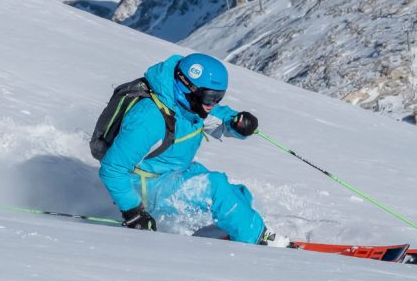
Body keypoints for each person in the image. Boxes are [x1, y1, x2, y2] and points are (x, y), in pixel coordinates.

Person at [97, 53, 288, 246]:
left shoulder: (190, 103)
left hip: (172, 171)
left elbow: (216, 115)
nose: (212, 104)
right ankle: (258, 241)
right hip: (147, 187)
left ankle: (231, 233)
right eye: (210, 97)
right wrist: (133, 212)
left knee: (236, 194)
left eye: (218, 97)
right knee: (216, 187)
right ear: (186, 88)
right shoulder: (149, 119)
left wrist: (237, 123)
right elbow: (113, 169)